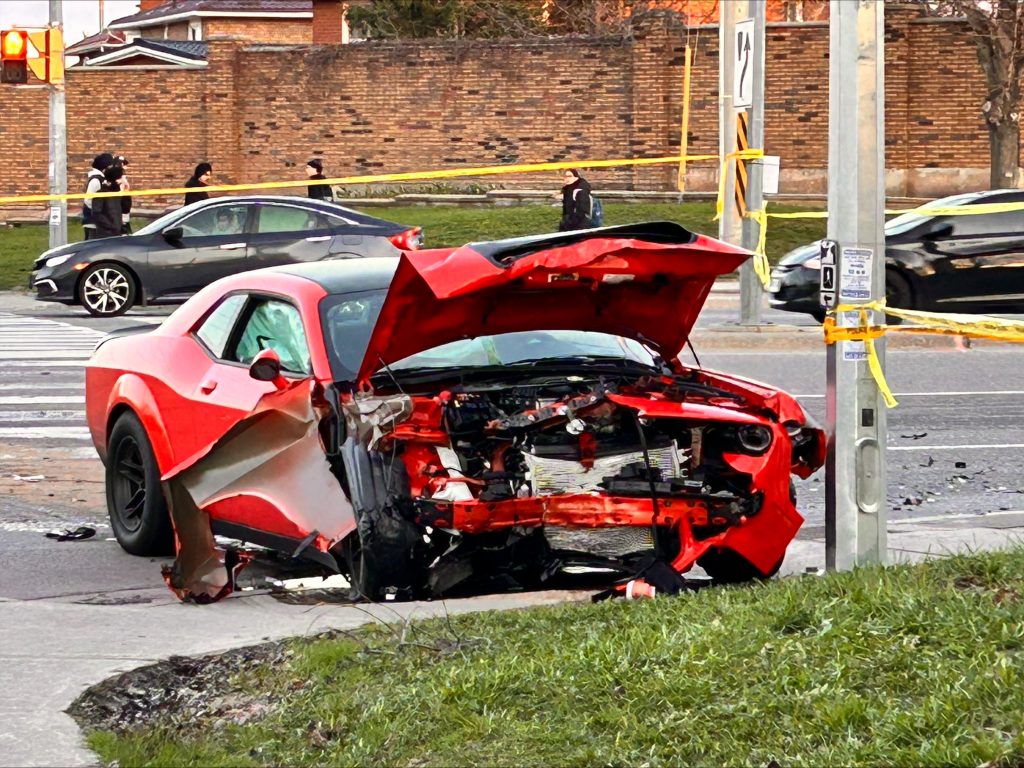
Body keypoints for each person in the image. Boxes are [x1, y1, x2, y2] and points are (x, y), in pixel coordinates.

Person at [82, 153, 114, 240]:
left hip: (99, 222)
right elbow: (88, 200)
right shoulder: (96, 180)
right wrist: (99, 212)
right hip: (93, 223)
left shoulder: (102, 179)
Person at [92, 165, 127, 239]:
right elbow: (96, 213)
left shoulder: (117, 194)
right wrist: (111, 227)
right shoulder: (101, 193)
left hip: (117, 233)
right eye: (123, 178)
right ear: (116, 179)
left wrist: (126, 192)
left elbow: (125, 209)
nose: (124, 180)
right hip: (106, 234)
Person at [115, 156, 133, 234]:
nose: (124, 166)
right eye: (122, 164)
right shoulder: (115, 176)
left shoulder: (123, 176)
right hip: (120, 202)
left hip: (125, 203)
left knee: (126, 224)